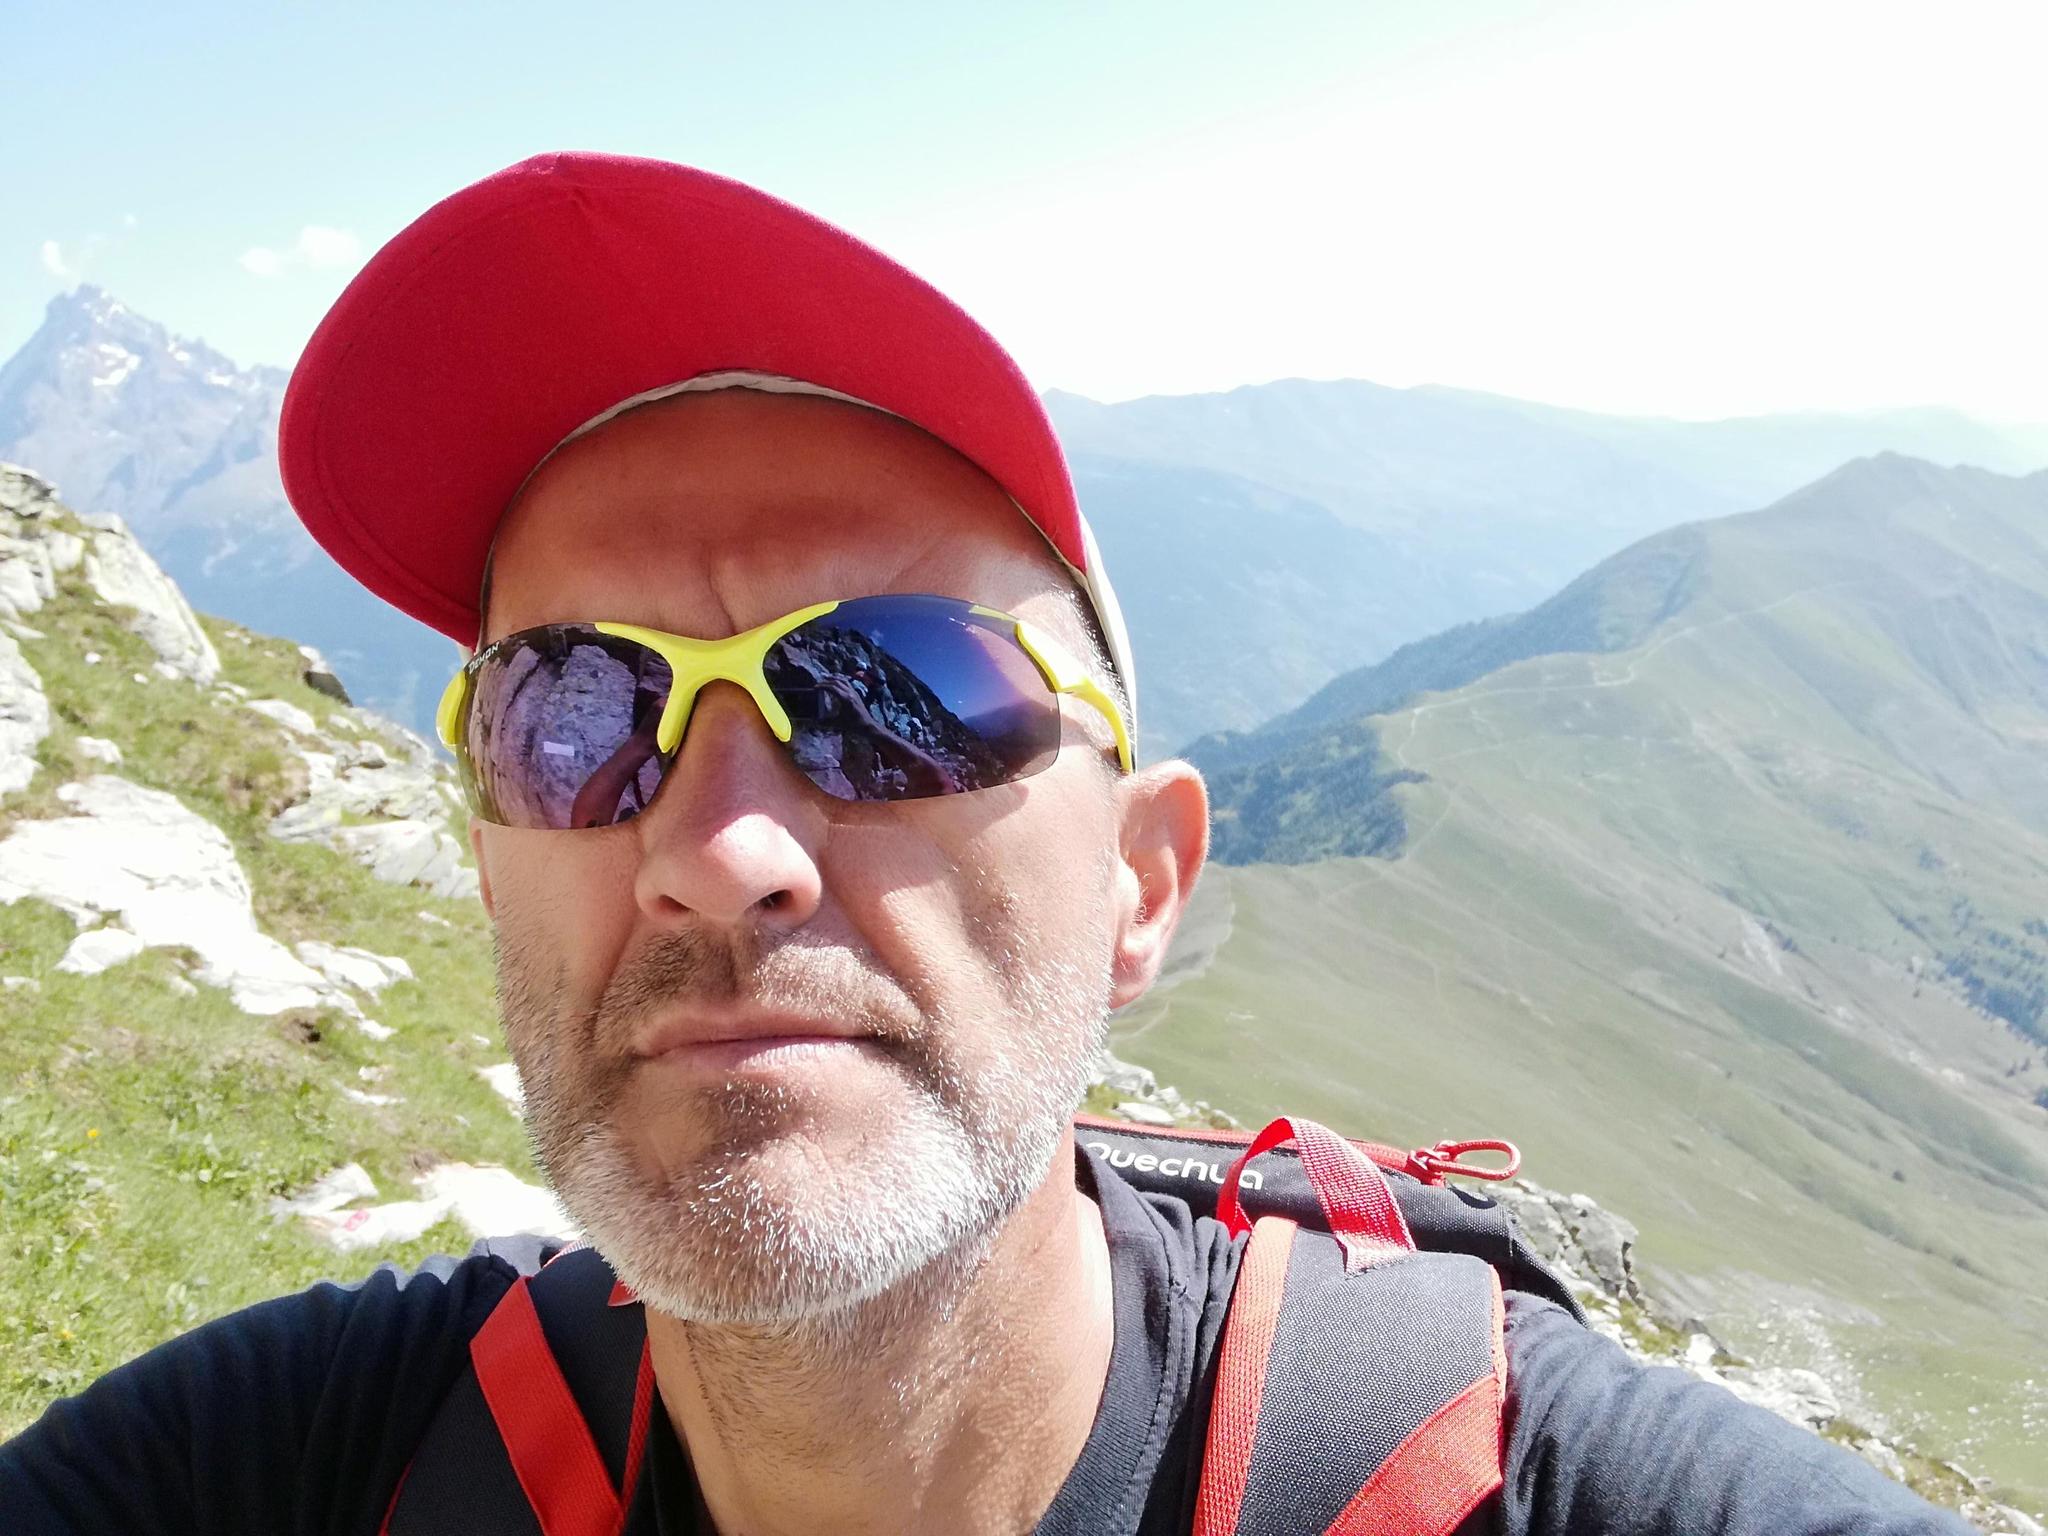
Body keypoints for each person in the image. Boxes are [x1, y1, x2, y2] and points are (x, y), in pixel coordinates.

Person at [0, 153, 1975, 1536]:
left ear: (1140, 881)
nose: (722, 850)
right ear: (486, 846)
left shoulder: (1524, 1488)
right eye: (567, 715)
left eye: (894, 693)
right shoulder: (292, 1460)